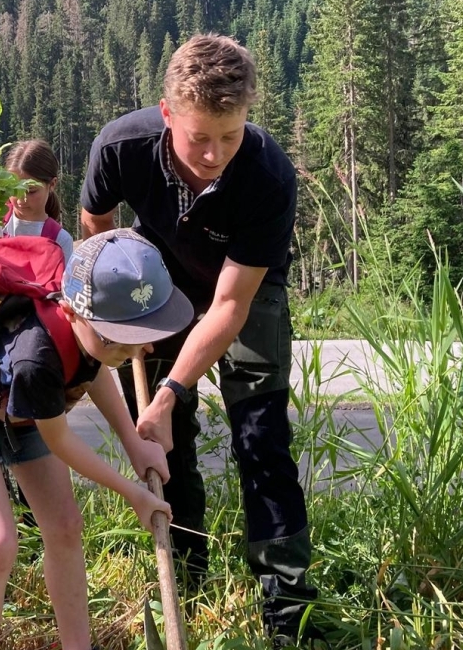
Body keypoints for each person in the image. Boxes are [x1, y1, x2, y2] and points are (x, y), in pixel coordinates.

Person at [79, 33, 318, 644]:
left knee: (261, 438)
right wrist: (118, 295)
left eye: (230, 137)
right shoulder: (121, 146)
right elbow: (96, 226)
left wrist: (171, 391)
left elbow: (230, 306)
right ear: (167, 115)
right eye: (199, 137)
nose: (214, 155)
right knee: (167, 440)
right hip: (158, 281)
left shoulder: (267, 174)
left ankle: (287, 609)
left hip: (247, 289)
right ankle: (187, 575)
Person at [0, 230, 191, 650]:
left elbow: (93, 371)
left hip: (25, 413)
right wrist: (134, 494)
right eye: (119, 340)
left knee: (67, 527)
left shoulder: (91, 336)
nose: (137, 349)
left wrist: (134, 442)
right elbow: (61, 442)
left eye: (138, 335)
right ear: (72, 313)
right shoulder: (36, 359)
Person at [1, 139, 75, 262]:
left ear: (52, 184)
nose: (21, 201)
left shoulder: (60, 240)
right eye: (14, 190)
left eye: (31, 191)